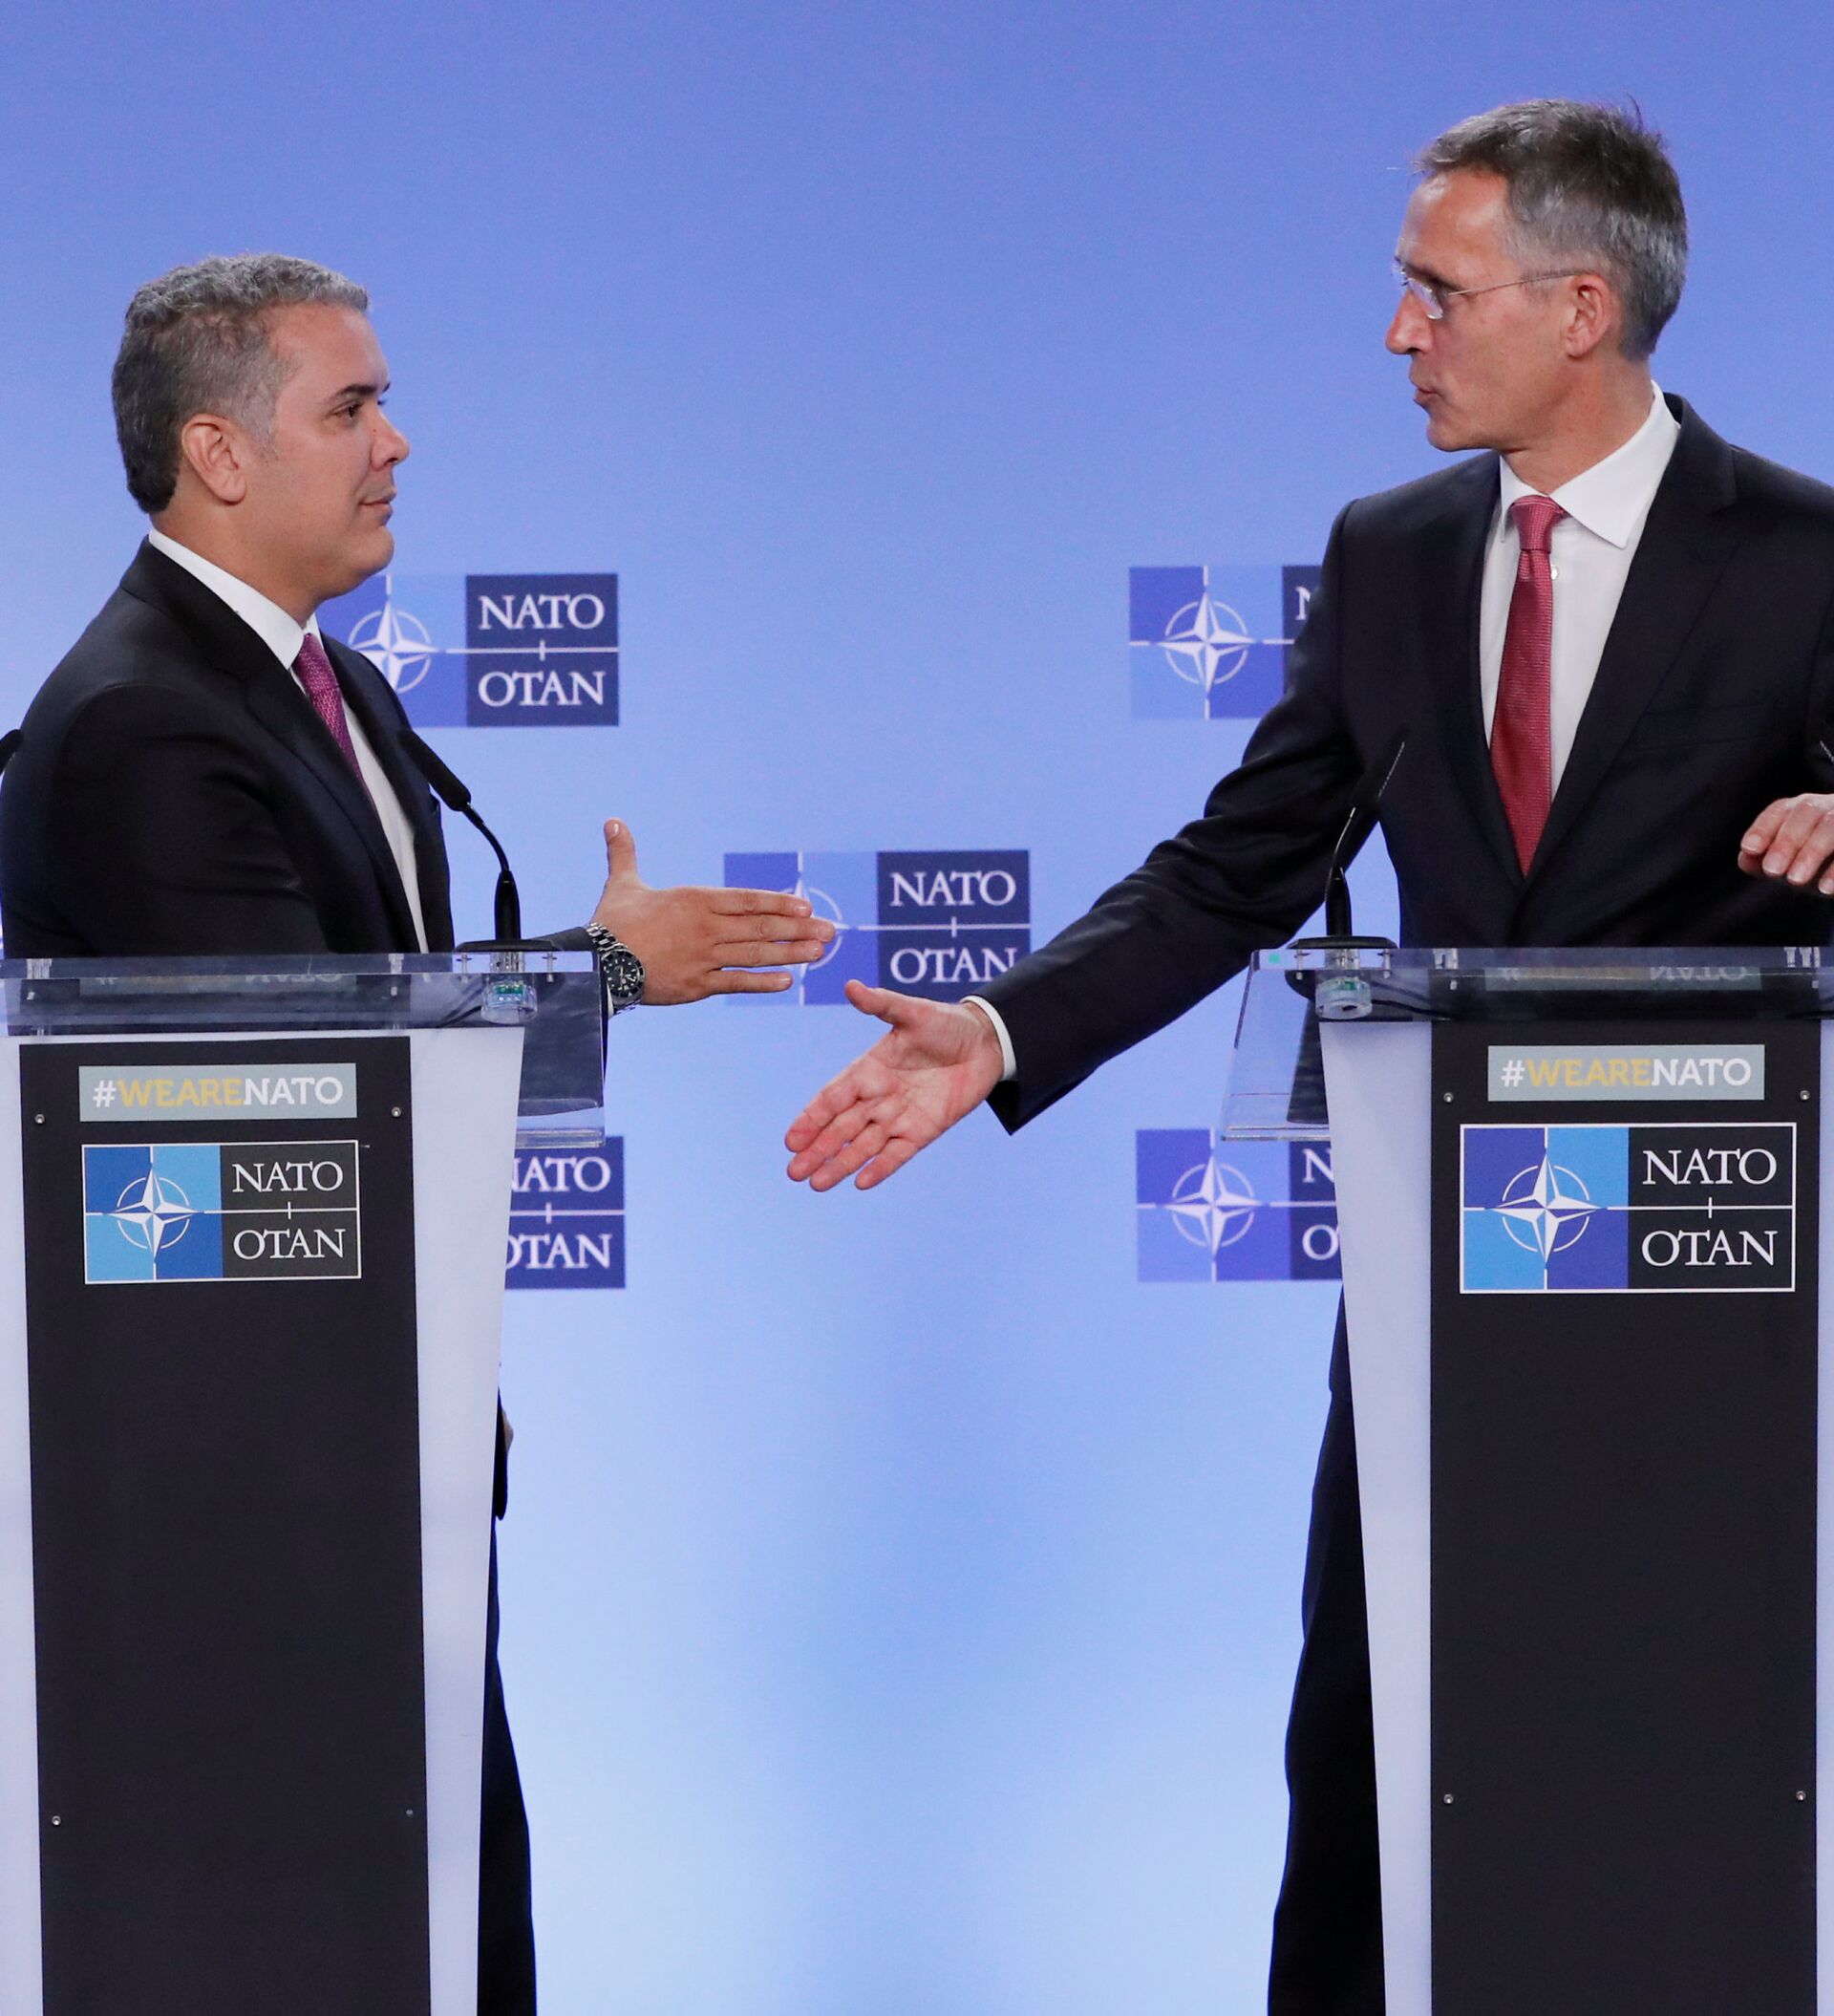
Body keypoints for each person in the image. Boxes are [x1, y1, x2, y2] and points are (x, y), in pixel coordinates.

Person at [784, 99, 1834, 2011]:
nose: (1396, 331)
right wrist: (1004, 1028)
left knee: (1671, 1783)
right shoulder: (1392, 554)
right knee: (1372, 1760)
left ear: (1583, 307)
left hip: (1701, 1291)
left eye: (1438, 290)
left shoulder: (1807, 553)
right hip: (1446, 1278)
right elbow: (1242, 862)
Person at [0, 253, 834, 2016]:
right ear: (220, 452)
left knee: (455, 1924)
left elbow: (369, 1039)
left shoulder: (336, 688)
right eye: (354, 406)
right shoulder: (142, 722)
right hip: (245, 1492)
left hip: (374, 1446)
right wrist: (605, 975)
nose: (398, 442)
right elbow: (299, 1103)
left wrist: (579, 973)